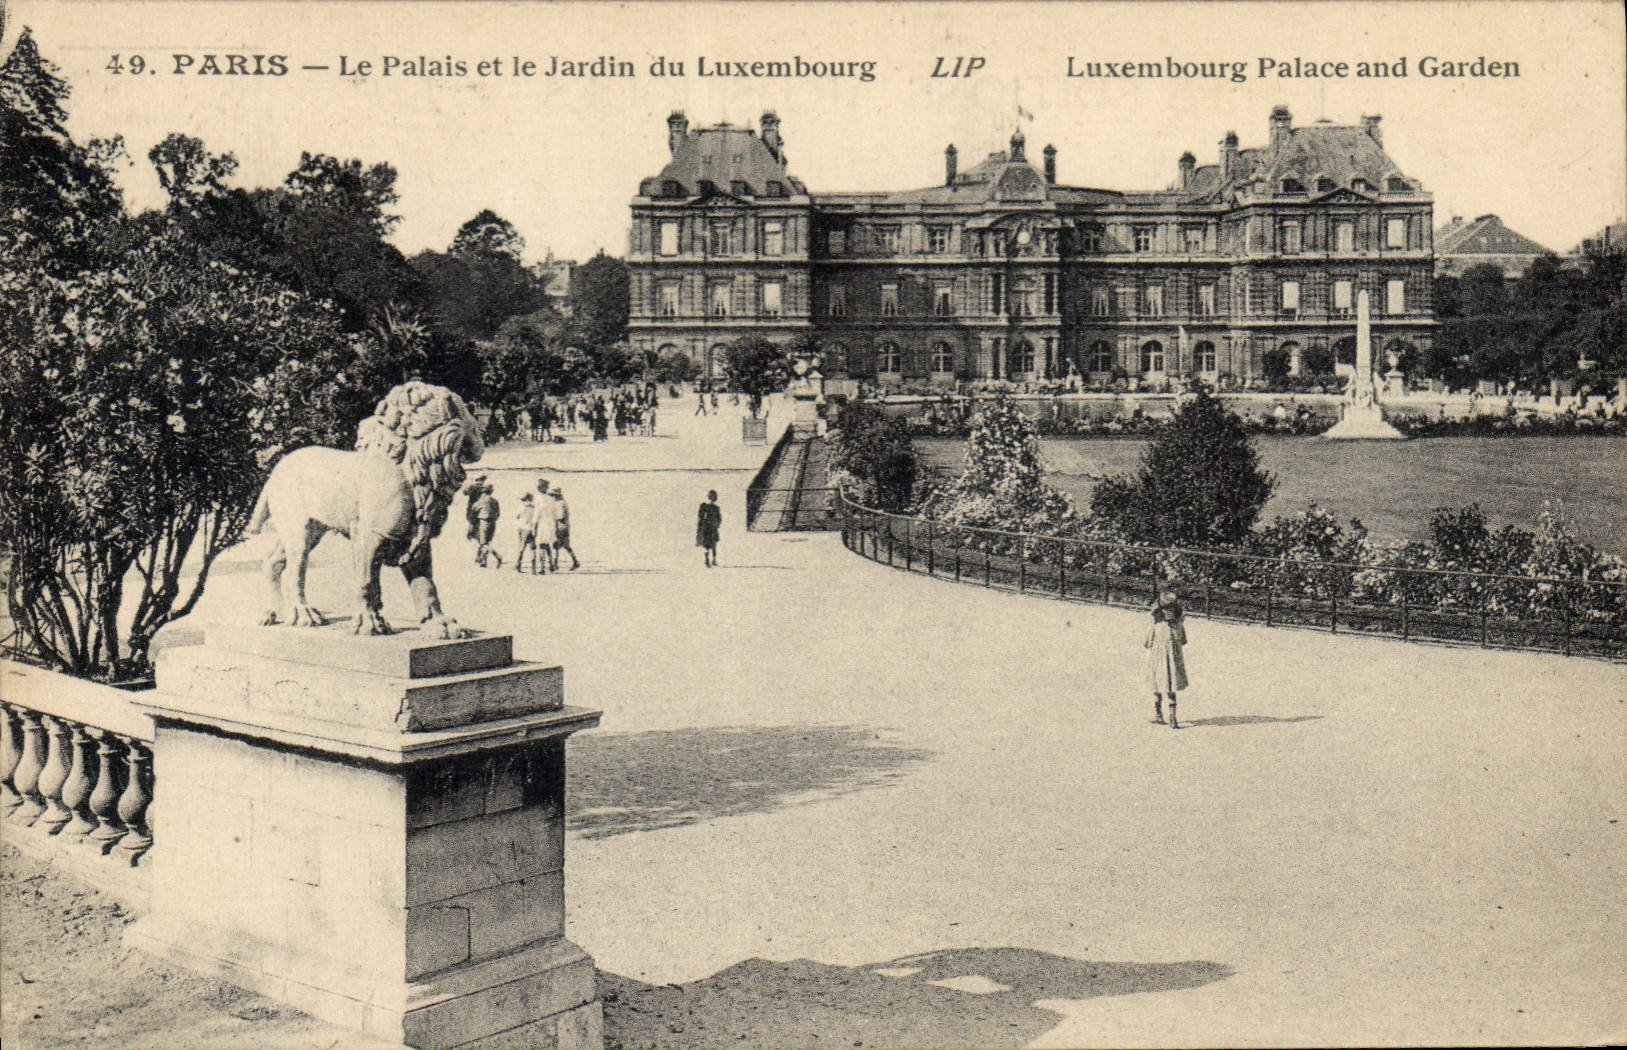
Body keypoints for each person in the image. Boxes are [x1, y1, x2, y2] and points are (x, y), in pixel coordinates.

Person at [1145, 589, 1189, 728]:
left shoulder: (1156, 624)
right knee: (1171, 684)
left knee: (1157, 682)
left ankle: (1158, 714)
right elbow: (1183, 640)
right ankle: (1172, 718)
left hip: (1158, 656)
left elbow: (1147, 641)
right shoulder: (1177, 624)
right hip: (1173, 658)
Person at [473, 484, 503, 569]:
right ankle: (483, 561)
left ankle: (497, 556)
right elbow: (498, 513)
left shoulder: (481, 501)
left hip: (484, 522)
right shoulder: (495, 501)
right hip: (493, 523)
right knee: (488, 542)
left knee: (483, 543)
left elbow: (474, 509)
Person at [550, 488, 580, 570]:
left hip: (561, 527)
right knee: (566, 545)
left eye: (554, 495)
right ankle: (575, 561)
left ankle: (555, 564)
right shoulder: (560, 502)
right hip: (564, 526)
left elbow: (560, 517)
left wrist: (554, 521)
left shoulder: (560, 503)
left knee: (556, 544)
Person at [531, 478, 558, 570]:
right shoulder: (551, 499)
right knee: (547, 544)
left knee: (542, 545)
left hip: (542, 525)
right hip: (550, 525)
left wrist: (533, 526)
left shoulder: (538, 499)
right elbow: (554, 513)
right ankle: (551, 563)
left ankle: (542, 567)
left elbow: (536, 514)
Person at [514, 493, 539, 573]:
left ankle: (519, 565)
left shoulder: (522, 507)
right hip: (532, 529)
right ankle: (533, 568)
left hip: (523, 528)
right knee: (532, 549)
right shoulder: (534, 508)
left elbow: (517, 516)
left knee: (521, 548)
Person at [696, 489, 722, 567]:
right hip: (711, 527)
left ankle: (709, 560)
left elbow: (700, 517)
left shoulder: (705, 506)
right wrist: (716, 524)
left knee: (708, 544)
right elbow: (719, 519)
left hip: (707, 527)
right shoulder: (714, 507)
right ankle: (711, 560)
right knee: (712, 544)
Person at [463, 474, 488, 548]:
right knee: (478, 535)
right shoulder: (484, 489)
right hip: (481, 513)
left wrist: (470, 484)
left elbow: (465, 492)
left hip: (473, 513)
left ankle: (482, 549)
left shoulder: (474, 487)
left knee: (471, 535)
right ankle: (481, 551)